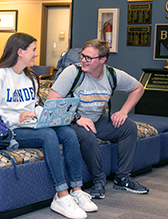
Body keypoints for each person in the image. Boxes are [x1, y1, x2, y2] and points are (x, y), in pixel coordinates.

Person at [0, 33, 97, 219]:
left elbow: (34, 105)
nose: (36, 54)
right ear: (20, 52)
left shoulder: (31, 77)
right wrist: (18, 117)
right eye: (33, 50)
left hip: (32, 124)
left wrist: (51, 114)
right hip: (10, 130)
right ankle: (61, 195)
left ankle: (76, 189)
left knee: (68, 132)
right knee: (48, 136)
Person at [47, 39, 149, 199]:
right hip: (71, 122)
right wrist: (77, 117)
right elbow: (52, 101)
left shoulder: (112, 75)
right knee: (88, 135)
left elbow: (138, 88)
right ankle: (99, 181)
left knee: (128, 127)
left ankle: (123, 178)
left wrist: (123, 111)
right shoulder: (72, 72)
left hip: (96, 120)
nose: (83, 60)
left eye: (89, 58)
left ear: (102, 60)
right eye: (82, 56)